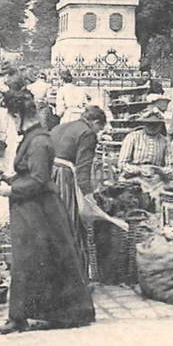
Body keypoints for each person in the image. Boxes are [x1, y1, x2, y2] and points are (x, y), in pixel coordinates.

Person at [0, 89, 95, 335]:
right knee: (32, 261)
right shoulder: (33, 137)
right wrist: (8, 178)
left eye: (11, 118)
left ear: (18, 116)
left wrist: (10, 190)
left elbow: (39, 180)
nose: (12, 123)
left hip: (39, 211)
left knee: (32, 261)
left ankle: (45, 315)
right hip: (33, 208)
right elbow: (28, 173)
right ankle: (21, 316)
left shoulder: (39, 141)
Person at [49, 105, 108, 270]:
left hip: (48, 174)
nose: (97, 133)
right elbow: (83, 168)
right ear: (95, 122)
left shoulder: (61, 126)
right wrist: (88, 196)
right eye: (99, 129)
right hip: (64, 177)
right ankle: (75, 275)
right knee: (71, 223)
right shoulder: (87, 134)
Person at [118, 107, 173, 182]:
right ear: (144, 124)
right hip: (134, 176)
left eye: (156, 124)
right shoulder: (132, 137)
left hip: (156, 177)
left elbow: (170, 167)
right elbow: (122, 163)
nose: (152, 127)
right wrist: (139, 170)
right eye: (149, 124)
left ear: (161, 125)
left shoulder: (165, 141)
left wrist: (159, 171)